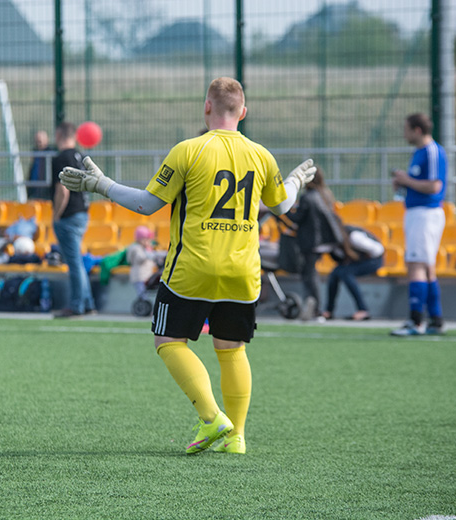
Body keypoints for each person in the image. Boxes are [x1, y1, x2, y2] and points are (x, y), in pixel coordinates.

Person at [59, 77, 316, 454]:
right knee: (232, 349)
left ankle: (212, 418)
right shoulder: (262, 156)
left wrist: (102, 185)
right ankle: (237, 438)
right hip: (243, 271)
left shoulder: (189, 150)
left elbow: (148, 204)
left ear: (207, 107)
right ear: (243, 113)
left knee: (168, 341)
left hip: (192, 268)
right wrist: (294, 179)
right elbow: (282, 205)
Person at [390, 113, 447, 336]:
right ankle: (436, 319)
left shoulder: (432, 151)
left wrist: (406, 181)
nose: (404, 134)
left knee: (415, 266)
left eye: (406, 129)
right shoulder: (419, 153)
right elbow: (419, 184)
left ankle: (416, 322)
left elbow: (434, 186)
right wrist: (404, 184)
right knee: (427, 268)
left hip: (426, 214)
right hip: (417, 213)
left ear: (417, 130)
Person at [284, 167, 344, 321]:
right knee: (311, 274)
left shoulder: (308, 197)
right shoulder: (324, 194)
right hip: (319, 242)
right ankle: (314, 306)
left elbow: (298, 218)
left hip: (310, 242)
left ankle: (315, 308)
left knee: (309, 275)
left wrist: (284, 210)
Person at [51, 122, 96, 318]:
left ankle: (77, 304)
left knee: (74, 262)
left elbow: (63, 189)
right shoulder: (80, 156)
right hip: (82, 211)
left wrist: (56, 214)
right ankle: (87, 303)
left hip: (69, 215)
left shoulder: (62, 157)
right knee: (77, 260)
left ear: (59, 134)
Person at [322, 225, 385, 321]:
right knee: (334, 274)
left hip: (374, 260)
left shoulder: (354, 237)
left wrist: (361, 258)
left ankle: (363, 310)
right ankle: (329, 311)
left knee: (346, 273)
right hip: (356, 262)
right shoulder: (333, 244)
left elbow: (378, 250)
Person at [127, 225, 160, 299]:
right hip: (139, 277)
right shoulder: (136, 248)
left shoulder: (143, 248)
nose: (148, 242)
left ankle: (145, 306)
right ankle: (143, 306)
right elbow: (141, 258)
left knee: (145, 293)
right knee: (142, 294)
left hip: (146, 276)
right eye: (146, 240)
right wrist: (148, 250)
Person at [27, 130, 52, 200]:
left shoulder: (50, 154)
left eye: (40, 141)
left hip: (46, 192)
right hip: (34, 191)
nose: (38, 144)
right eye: (37, 141)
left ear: (46, 140)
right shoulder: (35, 154)